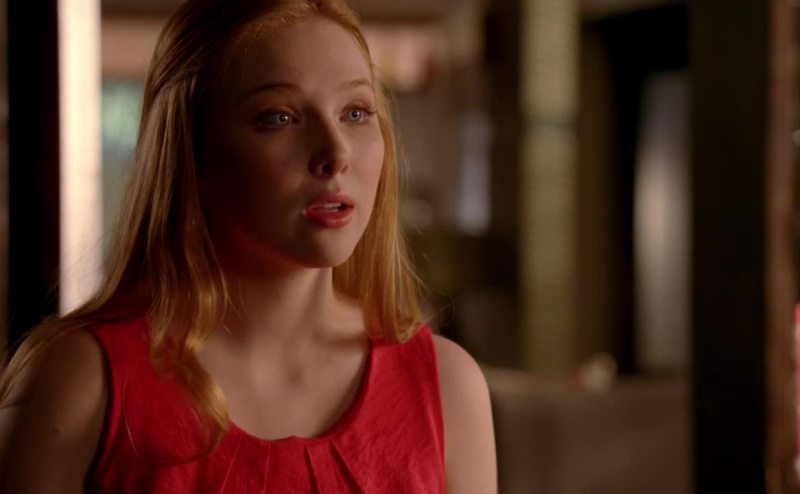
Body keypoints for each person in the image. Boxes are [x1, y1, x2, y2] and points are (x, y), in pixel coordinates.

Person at [0, 0, 496, 492]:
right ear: (192, 151)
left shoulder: (446, 389)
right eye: (279, 118)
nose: (335, 152)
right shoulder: (80, 384)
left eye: (356, 112)